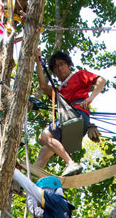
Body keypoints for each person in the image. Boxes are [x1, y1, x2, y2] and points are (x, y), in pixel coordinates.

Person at [35, 49, 106, 177]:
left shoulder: (79, 75)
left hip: (75, 115)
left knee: (44, 137)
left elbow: (101, 80)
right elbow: (43, 86)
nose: (59, 68)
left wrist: (90, 98)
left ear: (69, 65)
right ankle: (22, 182)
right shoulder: (59, 91)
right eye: (55, 67)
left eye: (62, 64)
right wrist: (38, 62)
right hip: (70, 123)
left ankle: (70, 163)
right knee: (43, 153)